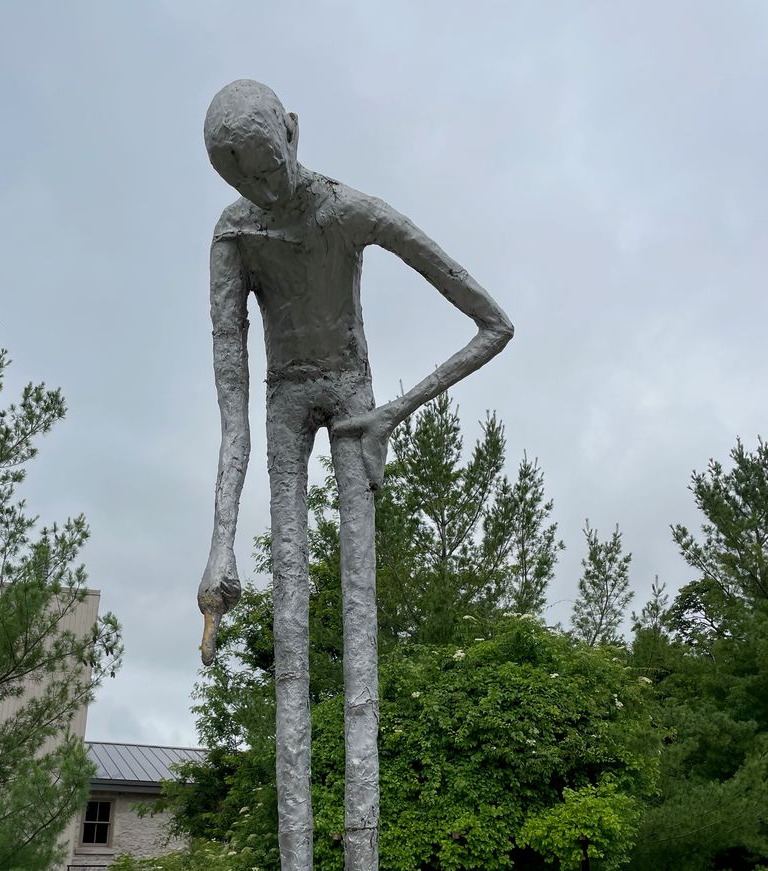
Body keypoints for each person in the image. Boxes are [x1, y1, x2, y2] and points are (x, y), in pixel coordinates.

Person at [197, 79, 514, 871]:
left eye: (270, 168)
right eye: (243, 181)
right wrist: (221, 545)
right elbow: (233, 409)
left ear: (294, 136)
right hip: (281, 404)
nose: (263, 191)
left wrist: (396, 410)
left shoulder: (352, 212)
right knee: (291, 640)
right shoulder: (234, 235)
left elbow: (493, 322)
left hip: (351, 398)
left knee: (359, 637)